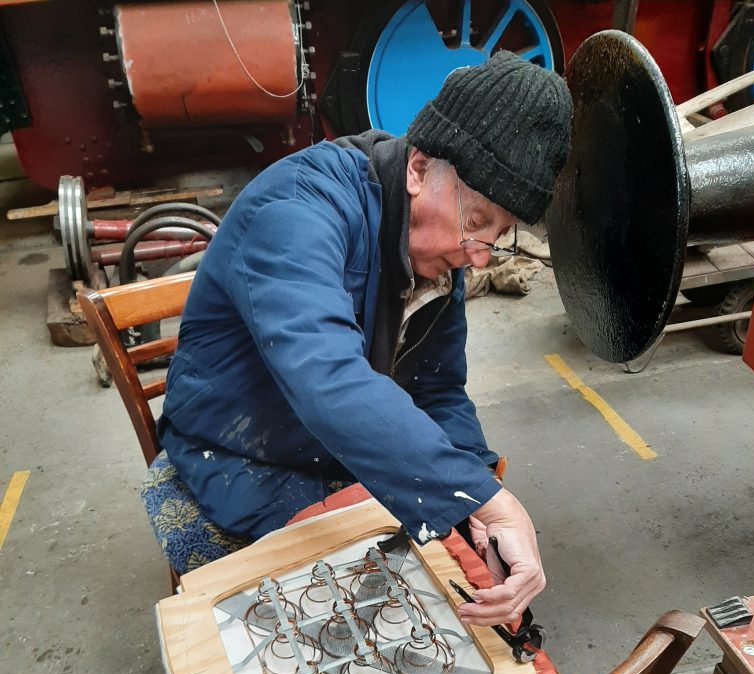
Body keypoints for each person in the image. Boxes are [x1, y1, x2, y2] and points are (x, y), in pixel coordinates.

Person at [157, 51, 572, 626]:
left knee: (447, 587)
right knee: (343, 627)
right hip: (241, 444)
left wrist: (475, 492)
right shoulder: (299, 210)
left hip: (332, 445)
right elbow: (329, 378)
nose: (479, 255)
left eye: (499, 236)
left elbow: (437, 392)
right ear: (419, 169)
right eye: (477, 222)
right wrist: (486, 500)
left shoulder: (438, 256)